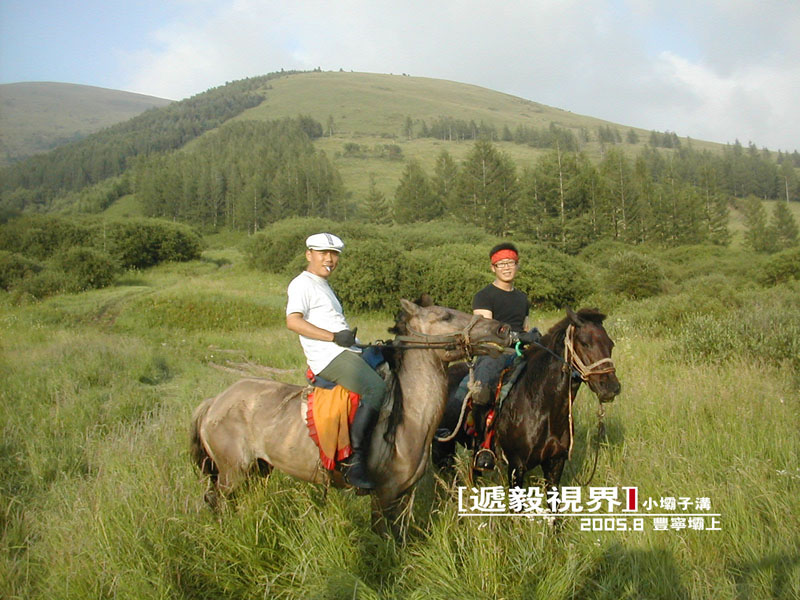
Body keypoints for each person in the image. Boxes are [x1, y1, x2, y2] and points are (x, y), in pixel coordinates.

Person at [286, 233, 386, 489]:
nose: (329, 259)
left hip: (346, 349)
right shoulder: (302, 284)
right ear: (309, 254)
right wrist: (332, 337)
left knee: (392, 359)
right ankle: (354, 459)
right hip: (328, 356)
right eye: (323, 253)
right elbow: (293, 321)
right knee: (376, 389)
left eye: (334, 254)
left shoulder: (323, 284)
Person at [459, 242, 540, 467]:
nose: (506, 268)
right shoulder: (484, 296)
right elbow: (486, 331)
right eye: (501, 264)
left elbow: (524, 327)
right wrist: (516, 337)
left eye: (510, 263)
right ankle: (481, 445)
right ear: (493, 268)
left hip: (520, 353)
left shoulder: (523, 298)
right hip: (493, 352)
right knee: (482, 391)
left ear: (517, 265)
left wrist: (531, 336)